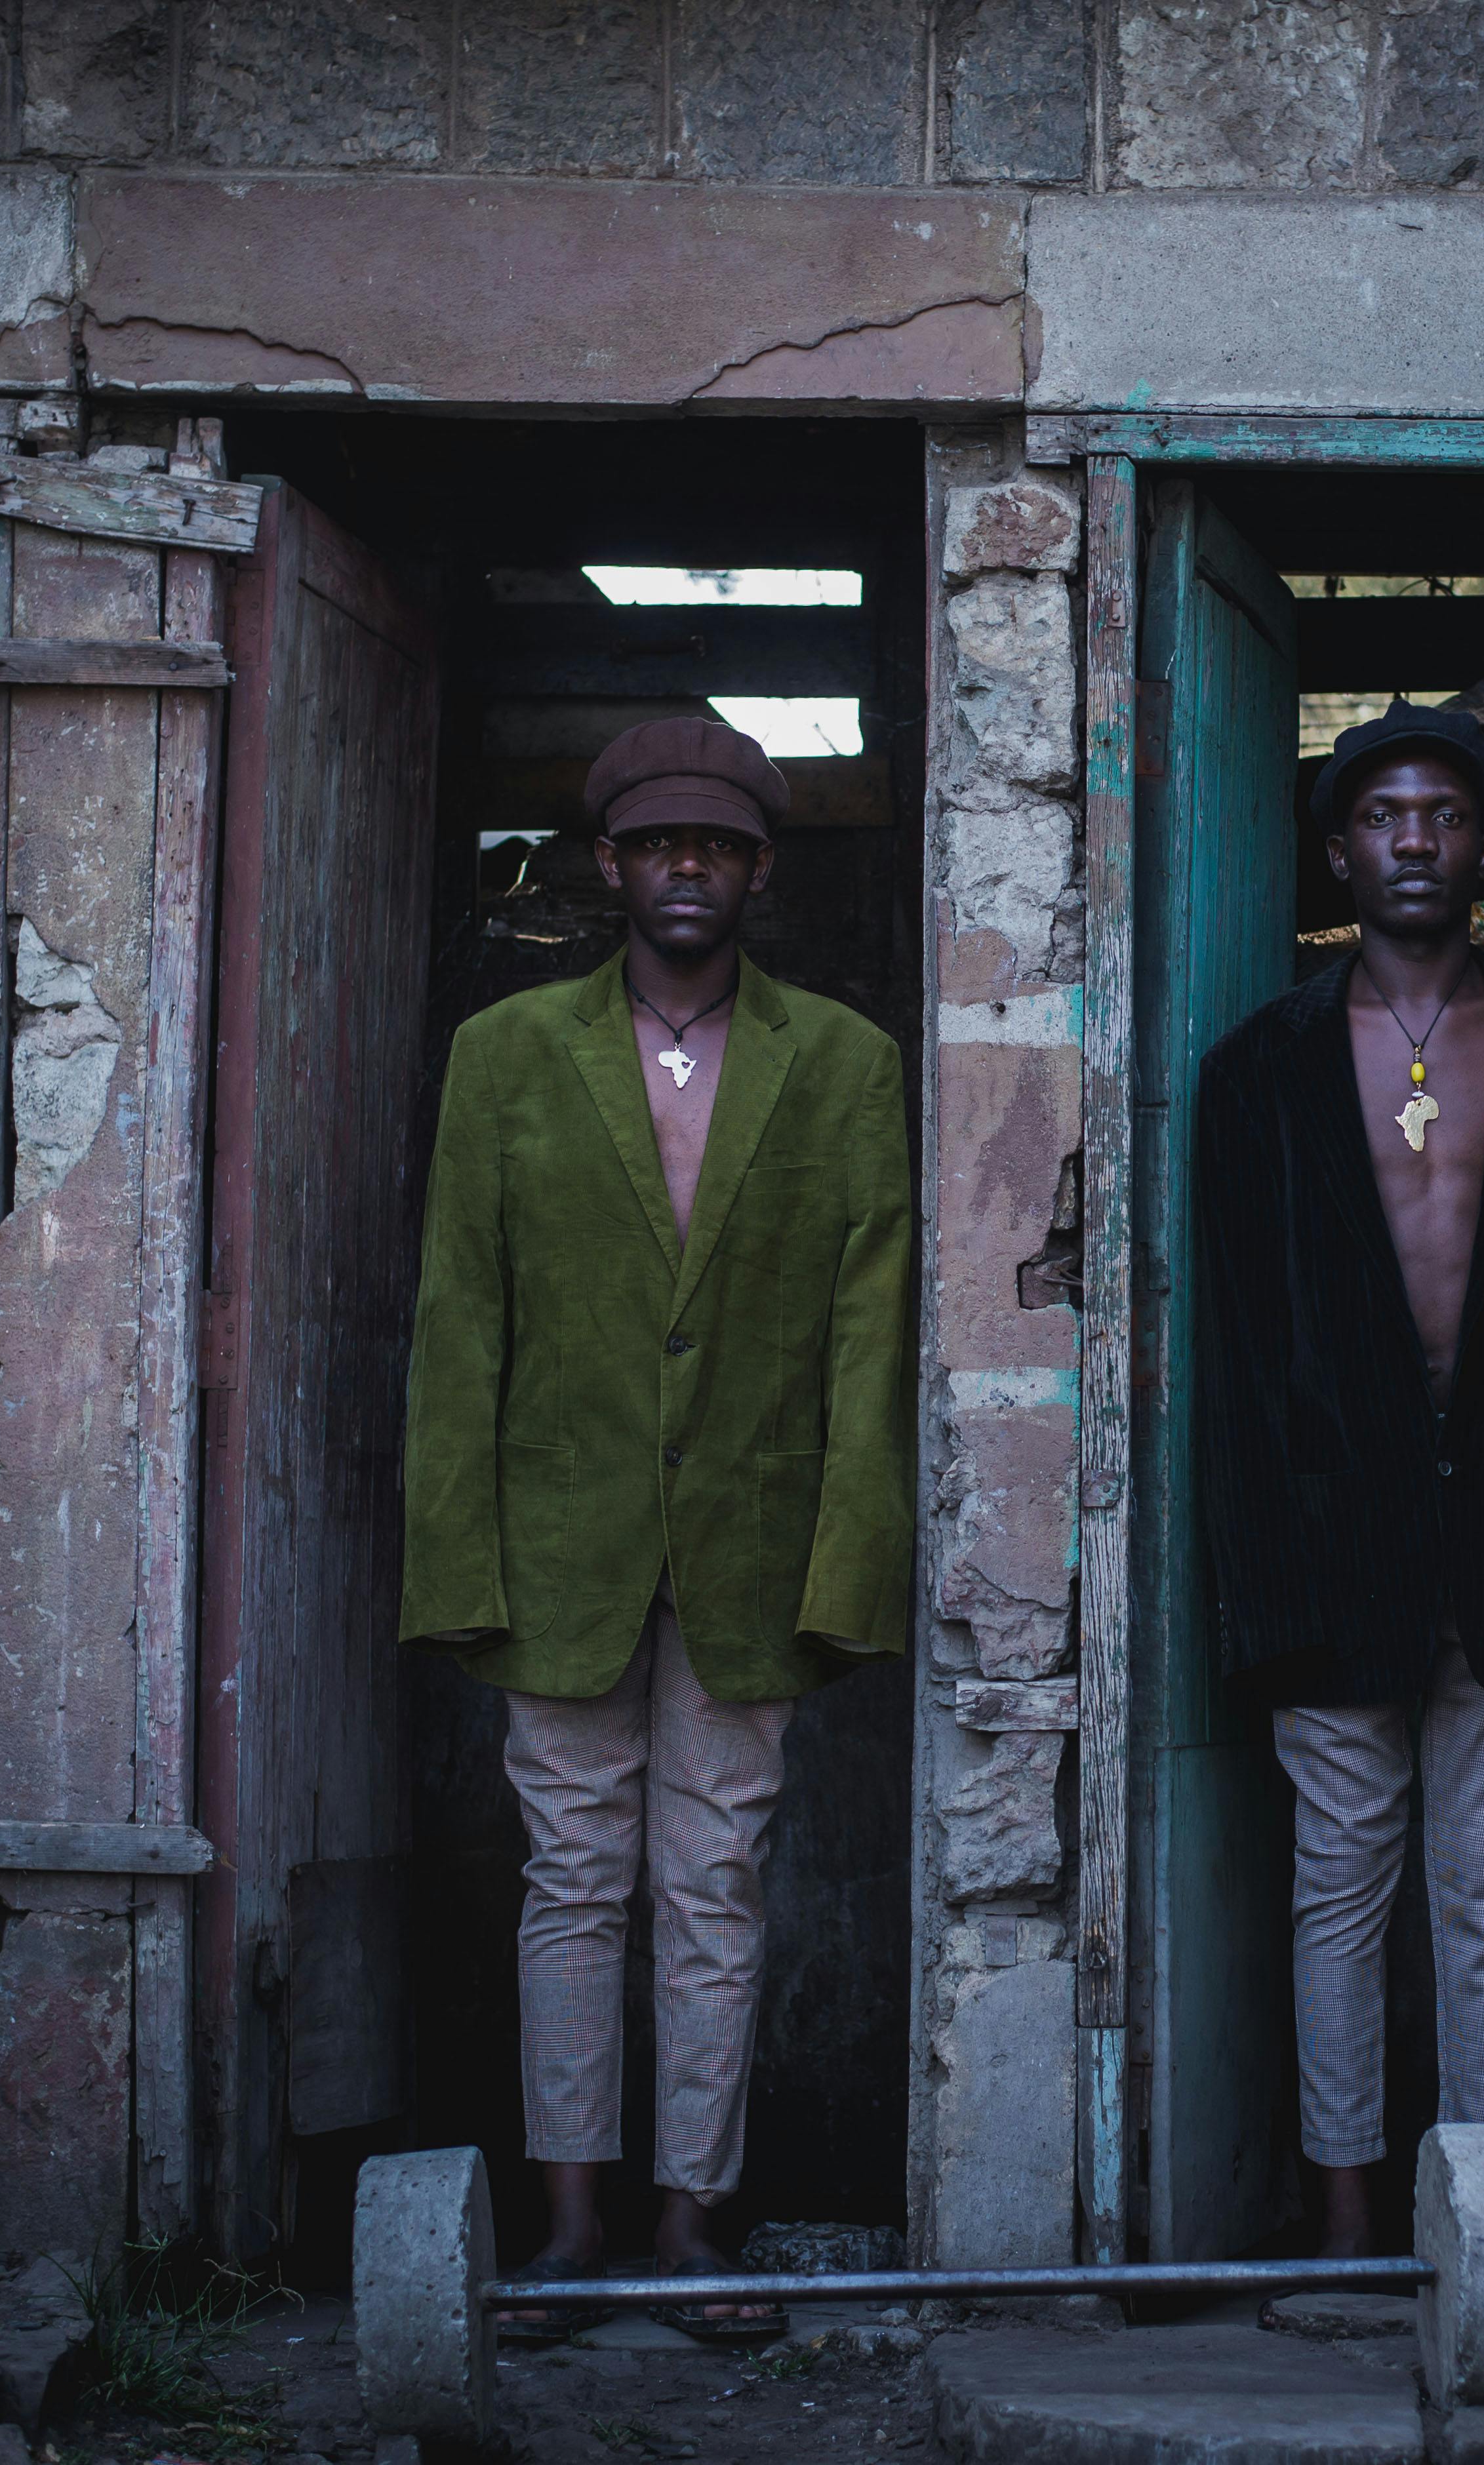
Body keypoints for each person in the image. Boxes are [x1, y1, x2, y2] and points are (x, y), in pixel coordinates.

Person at [400, 715, 913, 2339]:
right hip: (558, 1543)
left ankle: (691, 2223)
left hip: (754, 1549)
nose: (687, 869)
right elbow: (457, 1319)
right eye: (657, 845)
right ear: (608, 867)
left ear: (761, 871)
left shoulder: (843, 1062)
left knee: (716, 1878)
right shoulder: (507, 1054)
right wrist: (454, 1557)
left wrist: (849, 1559)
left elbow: (869, 1328)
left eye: (719, 846)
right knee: (573, 1878)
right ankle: (566, 2223)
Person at [1192, 700, 1484, 2258]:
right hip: (1330, 1532)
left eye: (1441, 816)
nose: (1411, 840)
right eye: (1380, 815)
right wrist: (1255, 1565)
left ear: (1482, 847)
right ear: (1336, 849)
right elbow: (1239, 1358)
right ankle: (1340, 2201)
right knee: (1339, 1882)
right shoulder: (1259, 1070)